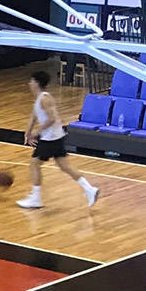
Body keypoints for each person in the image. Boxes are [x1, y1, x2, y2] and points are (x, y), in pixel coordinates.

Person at [21, 70, 99, 209]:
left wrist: (37, 133)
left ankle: (36, 198)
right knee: (64, 166)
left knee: (34, 164)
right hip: (55, 137)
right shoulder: (40, 98)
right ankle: (89, 189)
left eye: (31, 81)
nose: (29, 83)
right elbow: (33, 116)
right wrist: (27, 133)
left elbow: (52, 119)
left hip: (50, 138)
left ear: (37, 83)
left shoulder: (45, 99)